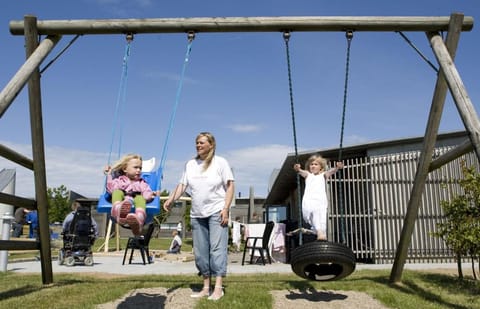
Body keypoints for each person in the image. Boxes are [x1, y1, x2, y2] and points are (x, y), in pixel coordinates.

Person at [164, 132, 234, 301]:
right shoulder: (190, 164)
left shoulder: (220, 162)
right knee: (201, 253)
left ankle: (218, 288)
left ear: (211, 144)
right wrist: (171, 199)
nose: (198, 145)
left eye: (202, 142)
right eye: (197, 142)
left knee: (217, 249)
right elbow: (182, 185)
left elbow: (230, 185)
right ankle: (205, 287)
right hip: (197, 214)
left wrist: (226, 208)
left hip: (217, 211)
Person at [293, 154, 344, 241]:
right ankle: (318, 232)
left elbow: (331, 172)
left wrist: (337, 168)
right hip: (309, 201)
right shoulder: (308, 175)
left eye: (316, 164)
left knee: (322, 225)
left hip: (320, 201)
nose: (313, 166)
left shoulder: (323, 175)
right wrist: (297, 169)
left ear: (321, 167)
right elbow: (300, 171)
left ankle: (314, 232)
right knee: (314, 215)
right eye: (311, 164)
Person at [104, 154, 157, 236]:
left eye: (140, 168)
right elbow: (110, 189)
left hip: (135, 202)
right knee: (117, 192)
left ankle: (138, 220)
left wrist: (151, 195)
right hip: (123, 201)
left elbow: (146, 192)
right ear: (125, 169)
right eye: (136, 167)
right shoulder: (120, 180)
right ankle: (118, 210)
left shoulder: (142, 183)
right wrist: (109, 175)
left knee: (140, 198)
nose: (139, 170)